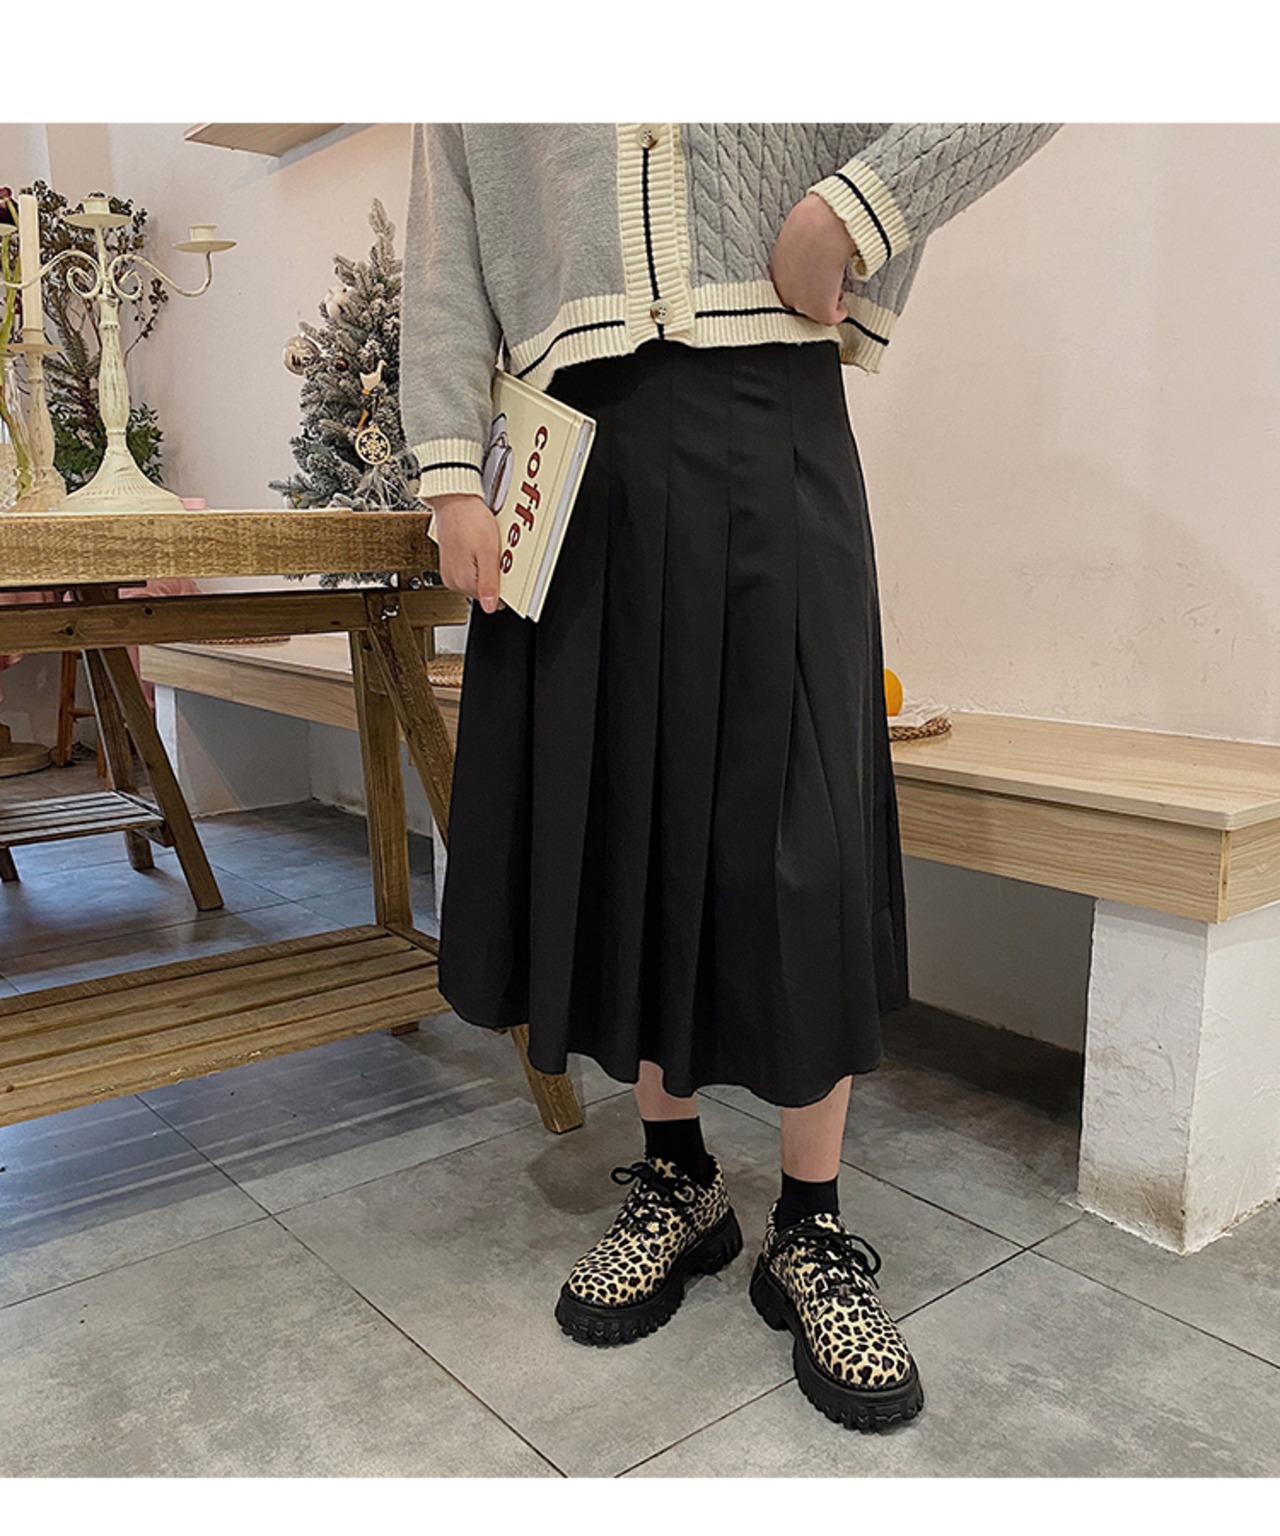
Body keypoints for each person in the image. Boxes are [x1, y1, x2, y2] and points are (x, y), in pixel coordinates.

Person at [400, 122, 1061, 1433]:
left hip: (774, 416)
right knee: (633, 820)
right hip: (574, 449)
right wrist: (448, 470)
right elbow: (448, 232)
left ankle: (812, 1220)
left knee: (802, 833)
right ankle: (677, 1175)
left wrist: (857, 209)